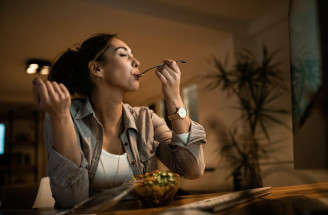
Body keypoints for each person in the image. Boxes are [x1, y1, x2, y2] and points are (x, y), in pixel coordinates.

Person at [32, 33, 207, 209]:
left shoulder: (146, 119)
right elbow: (72, 200)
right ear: (96, 69)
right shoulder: (63, 114)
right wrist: (60, 117)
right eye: (124, 54)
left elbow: (192, 169)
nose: (137, 61)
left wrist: (174, 97)